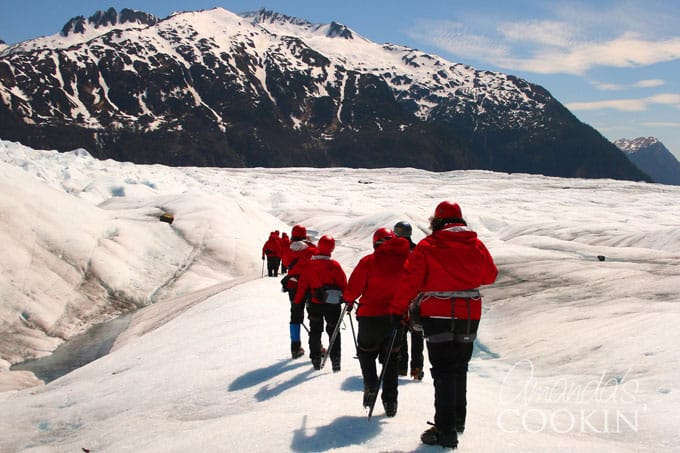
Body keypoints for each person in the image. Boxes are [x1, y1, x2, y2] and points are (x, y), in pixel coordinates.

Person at [391, 201, 497, 449]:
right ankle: (458, 421)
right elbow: (490, 275)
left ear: (437, 221)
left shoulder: (429, 246)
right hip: (469, 313)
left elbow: (410, 280)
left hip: (436, 313)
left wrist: (397, 310)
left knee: (442, 370)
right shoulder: (476, 245)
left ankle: (445, 429)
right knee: (459, 367)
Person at [344, 227, 411, 417]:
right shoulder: (407, 262)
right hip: (396, 318)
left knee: (366, 353)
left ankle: (371, 387)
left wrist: (348, 298)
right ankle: (391, 401)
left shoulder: (369, 261)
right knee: (391, 359)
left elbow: (352, 290)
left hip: (369, 318)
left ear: (375, 243)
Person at [294, 235, 348, 371]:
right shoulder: (335, 266)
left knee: (315, 331)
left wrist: (297, 303)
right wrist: (349, 301)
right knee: (334, 331)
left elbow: (302, 286)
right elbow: (344, 285)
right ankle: (336, 361)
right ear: (332, 248)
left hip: (315, 304)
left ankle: (316, 360)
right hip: (333, 304)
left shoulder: (309, 266)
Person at [393, 221, 425, 381]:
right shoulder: (419, 250)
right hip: (418, 298)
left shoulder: (395, 251)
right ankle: (417, 368)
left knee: (401, 333)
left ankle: (402, 366)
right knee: (417, 334)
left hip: (400, 296)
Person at [281, 224, 317, 359]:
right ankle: (316, 346)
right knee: (313, 316)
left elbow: (285, 263)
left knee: (295, 316)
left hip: (293, 285)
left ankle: (295, 348)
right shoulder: (310, 249)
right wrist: (309, 243)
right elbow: (317, 255)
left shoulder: (287, 249)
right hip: (309, 286)